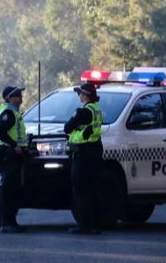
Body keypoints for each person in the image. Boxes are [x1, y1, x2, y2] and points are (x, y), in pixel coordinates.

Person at [64, 82, 104, 235]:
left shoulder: (83, 112)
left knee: (80, 190)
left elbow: (67, 128)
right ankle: (94, 225)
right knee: (92, 189)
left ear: (85, 95)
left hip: (83, 153)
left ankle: (84, 224)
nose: (79, 96)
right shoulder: (97, 110)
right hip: (95, 150)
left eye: (80, 93)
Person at [0, 85, 27, 233]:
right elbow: (0, 132)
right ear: (10, 98)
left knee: (14, 189)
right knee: (8, 190)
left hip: (13, 155)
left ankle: (11, 221)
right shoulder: (8, 113)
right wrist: (14, 145)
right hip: (9, 155)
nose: (21, 98)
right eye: (18, 95)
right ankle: (6, 222)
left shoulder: (14, 112)